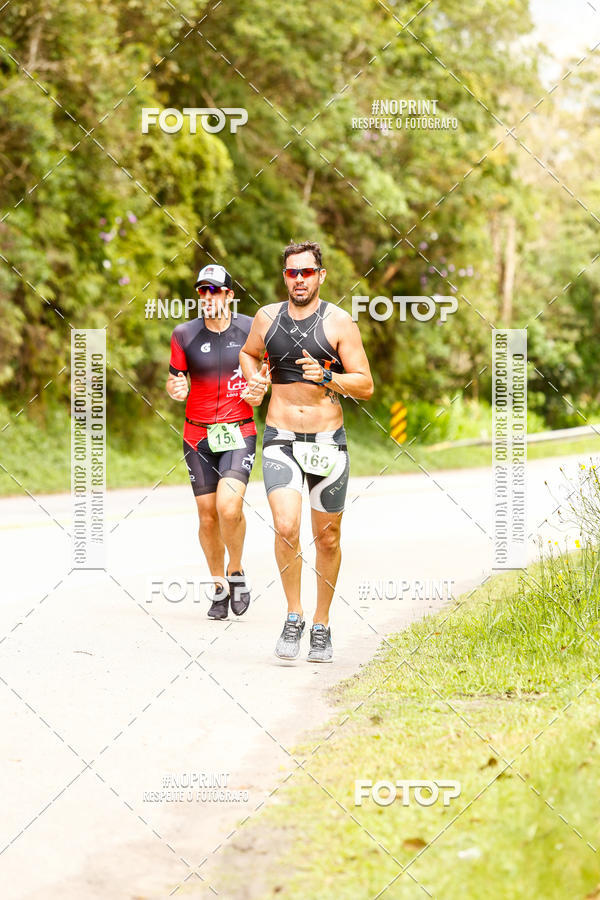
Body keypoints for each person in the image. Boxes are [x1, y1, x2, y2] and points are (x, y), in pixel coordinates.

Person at [239, 241, 374, 661]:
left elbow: (365, 385)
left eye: (307, 272)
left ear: (321, 275)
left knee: (328, 538)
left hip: (327, 442)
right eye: (292, 273)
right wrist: (255, 383)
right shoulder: (266, 318)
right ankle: (293, 615)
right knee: (285, 527)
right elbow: (248, 354)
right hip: (281, 436)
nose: (299, 279)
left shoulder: (339, 323)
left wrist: (329, 375)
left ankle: (321, 623)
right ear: (285, 276)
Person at [167, 263, 256, 620]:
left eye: (214, 290)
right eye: (202, 291)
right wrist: (175, 389)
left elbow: (263, 375)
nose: (207, 297)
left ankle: (236, 571)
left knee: (228, 508)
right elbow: (175, 380)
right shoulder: (184, 334)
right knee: (207, 517)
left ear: (229, 295)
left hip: (238, 432)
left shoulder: (250, 329)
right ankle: (219, 586)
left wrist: (259, 390)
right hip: (197, 435)